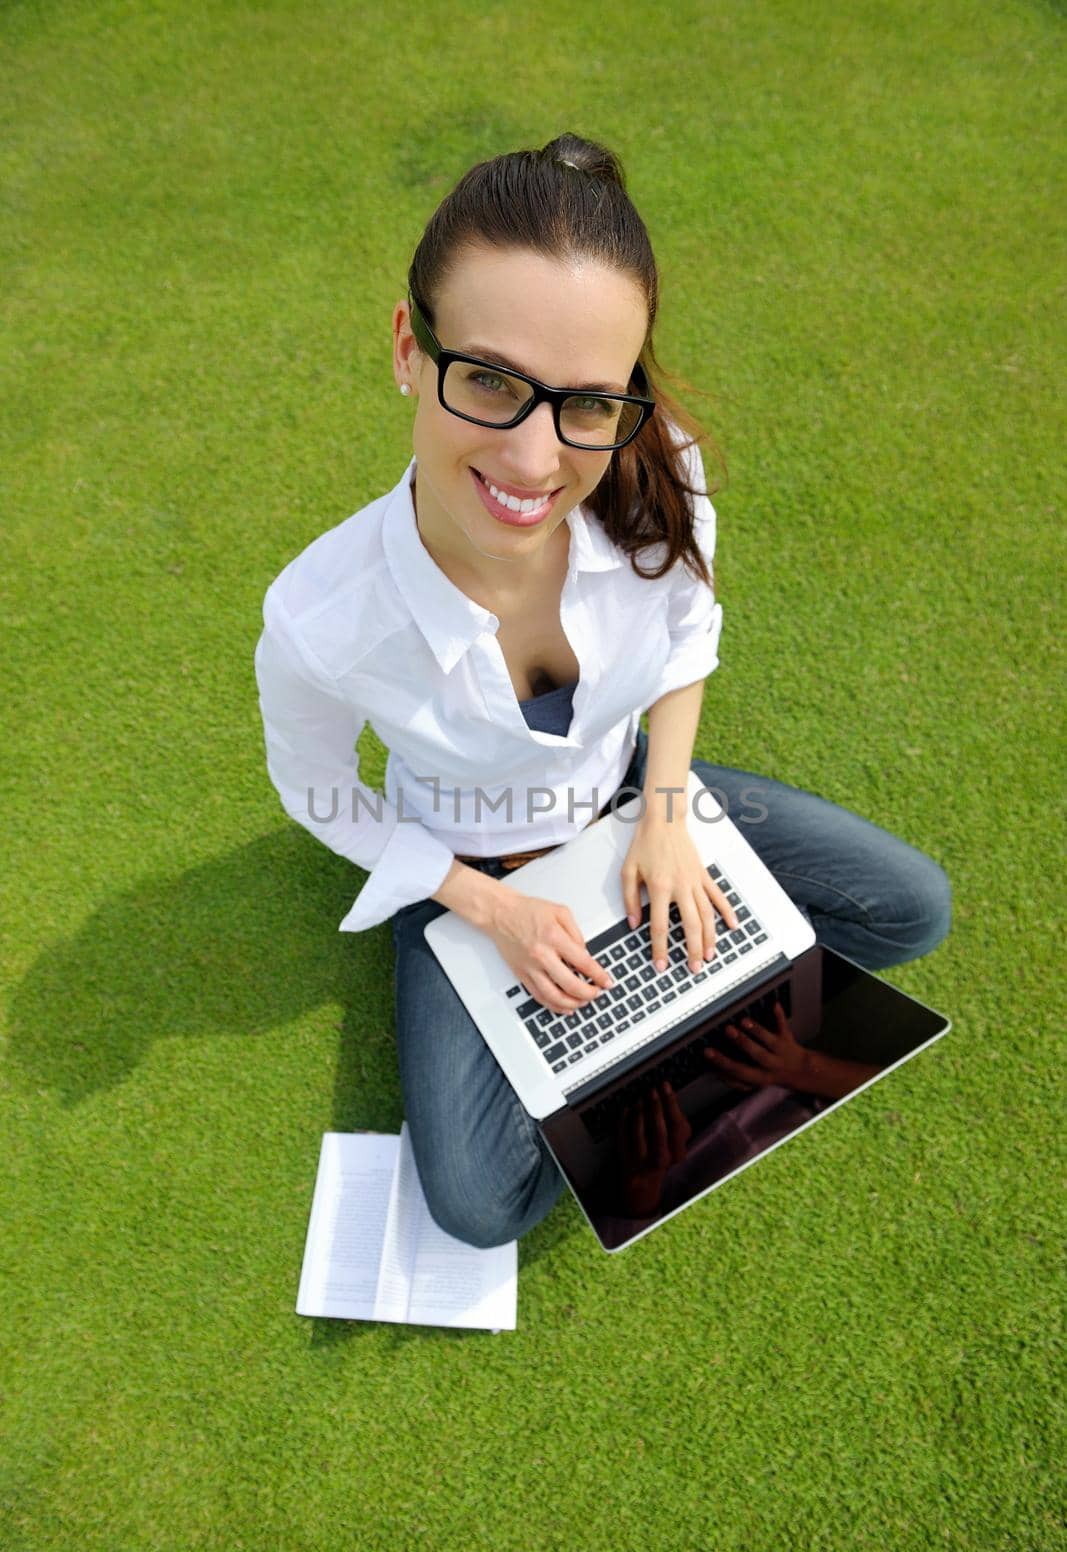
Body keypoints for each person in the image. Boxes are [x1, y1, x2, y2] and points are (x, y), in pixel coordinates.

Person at [254, 132, 952, 1251]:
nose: (535, 463)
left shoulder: (653, 470)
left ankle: (654, 1005)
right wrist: (488, 908)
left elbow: (686, 634)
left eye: (587, 400)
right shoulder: (321, 616)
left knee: (912, 910)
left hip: (631, 794)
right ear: (405, 346)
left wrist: (666, 817)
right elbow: (314, 792)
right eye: (488, 379)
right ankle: (629, 1001)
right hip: (465, 855)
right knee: (476, 1204)